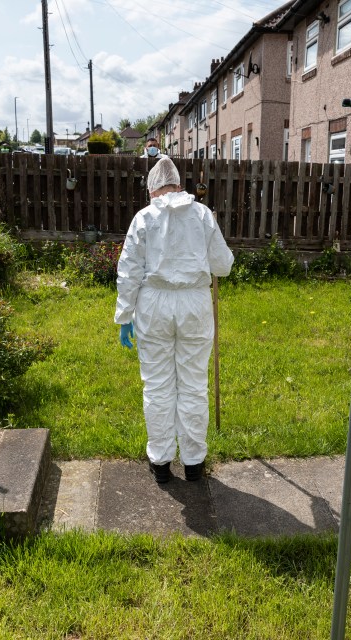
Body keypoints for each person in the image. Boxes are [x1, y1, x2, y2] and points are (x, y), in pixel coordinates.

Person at [115, 157, 233, 484]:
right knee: (193, 384)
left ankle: (161, 462)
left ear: (153, 190)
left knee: (157, 384)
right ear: (179, 186)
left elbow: (128, 271)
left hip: (153, 306)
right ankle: (194, 462)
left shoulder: (144, 217)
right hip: (194, 303)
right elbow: (223, 266)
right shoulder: (203, 215)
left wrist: (125, 315)